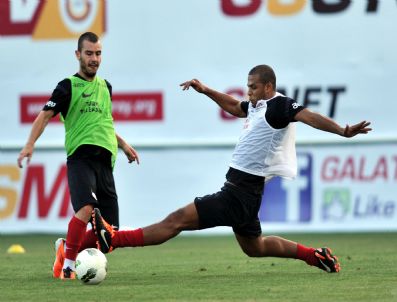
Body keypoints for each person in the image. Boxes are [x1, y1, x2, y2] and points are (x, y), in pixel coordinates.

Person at [91, 64, 371, 273]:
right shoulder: (256, 106)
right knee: (255, 247)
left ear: (269, 87)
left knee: (176, 220)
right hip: (245, 195)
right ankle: (316, 256)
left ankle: (115, 239)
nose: (248, 91)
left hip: (238, 195)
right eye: (247, 86)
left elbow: (310, 117)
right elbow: (235, 107)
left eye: (253, 86)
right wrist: (206, 90)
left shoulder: (279, 106)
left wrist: (343, 130)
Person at [17, 32, 139, 279]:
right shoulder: (67, 86)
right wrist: (29, 144)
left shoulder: (106, 87)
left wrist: (124, 145)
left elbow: (104, 123)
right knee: (85, 208)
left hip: (106, 161)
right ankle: (68, 266)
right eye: (89, 53)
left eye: (98, 53)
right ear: (78, 55)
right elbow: (44, 115)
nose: (94, 59)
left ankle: (65, 248)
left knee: (109, 234)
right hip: (81, 158)